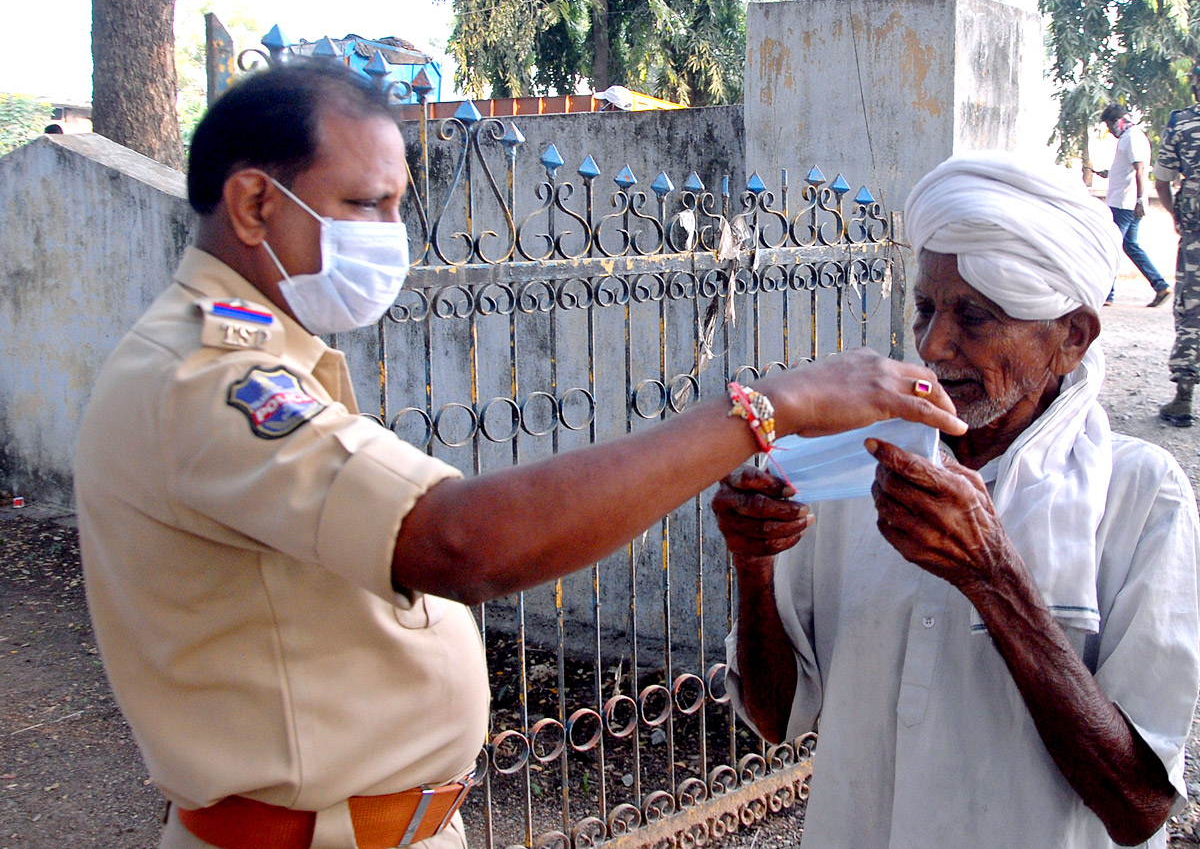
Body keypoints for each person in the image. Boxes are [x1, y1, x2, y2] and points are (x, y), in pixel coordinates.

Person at [72, 60, 965, 849]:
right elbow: (462, 544)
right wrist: (774, 407)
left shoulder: (270, 361)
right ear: (256, 203)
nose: (392, 233)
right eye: (362, 205)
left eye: (396, 202)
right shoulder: (205, 379)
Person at [714, 151, 1200, 849]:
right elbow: (776, 716)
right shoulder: (858, 467)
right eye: (925, 308)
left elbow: (1138, 806)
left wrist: (992, 576)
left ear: (1072, 338)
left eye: (973, 317)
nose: (933, 343)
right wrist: (754, 568)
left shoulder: (1142, 498)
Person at [1090, 103, 1170, 308]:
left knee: (1111, 246)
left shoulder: (1133, 137)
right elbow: (1128, 168)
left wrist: (1140, 200)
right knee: (1130, 246)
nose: (1109, 129)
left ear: (1119, 121)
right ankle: (1160, 285)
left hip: (1125, 204)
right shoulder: (1130, 137)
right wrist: (1108, 173)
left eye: (1109, 124)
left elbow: (1140, 169)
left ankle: (1107, 294)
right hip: (1127, 202)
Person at [1155, 64, 1200, 426]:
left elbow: (1163, 180)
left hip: (1195, 226)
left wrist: (1176, 214)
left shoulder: (1181, 122)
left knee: (1191, 308)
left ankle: (1184, 399)